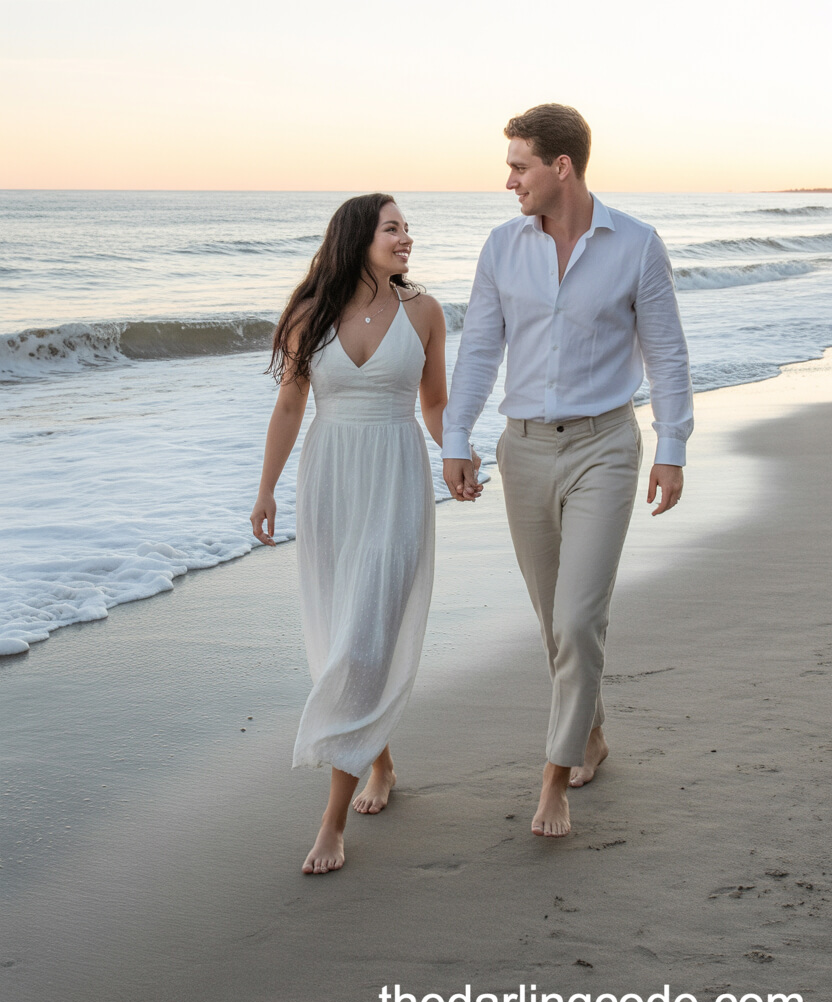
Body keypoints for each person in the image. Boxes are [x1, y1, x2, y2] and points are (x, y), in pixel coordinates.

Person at [442, 104, 693, 839]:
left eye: (519, 164)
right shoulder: (500, 247)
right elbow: (481, 351)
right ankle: (592, 732)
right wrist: (456, 437)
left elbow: (667, 355)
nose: (508, 179)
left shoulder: (637, 245)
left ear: (562, 168)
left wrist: (672, 447)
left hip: (605, 448)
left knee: (582, 616)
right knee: (557, 620)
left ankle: (554, 778)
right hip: (522, 452)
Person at [251, 194, 450, 875]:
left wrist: (458, 456)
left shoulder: (423, 312)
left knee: (366, 636)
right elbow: (289, 403)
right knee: (343, 635)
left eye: (406, 229)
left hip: (396, 481)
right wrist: (266, 488)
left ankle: (331, 825)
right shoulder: (312, 314)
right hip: (330, 482)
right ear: (359, 237)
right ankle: (379, 762)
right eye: (393, 228)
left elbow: (435, 403)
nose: (406, 238)